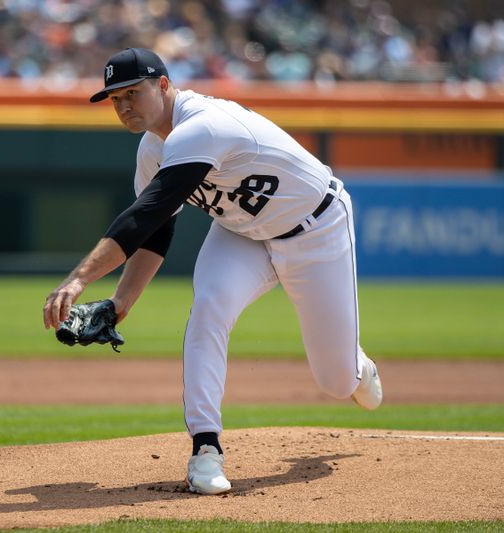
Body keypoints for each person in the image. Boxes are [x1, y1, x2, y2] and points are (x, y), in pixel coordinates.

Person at [42, 48, 383, 495]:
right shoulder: (152, 151)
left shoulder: (201, 126)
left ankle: (357, 365)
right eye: (114, 98)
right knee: (208, 309)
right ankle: (206, 449)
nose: (123, 105)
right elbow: (157, 232)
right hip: (242, 233)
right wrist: (120, 303)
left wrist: (79, 279)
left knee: (337, 383)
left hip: (316, 228)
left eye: (132, 92)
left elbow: (144, 215)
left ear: (163, 85)